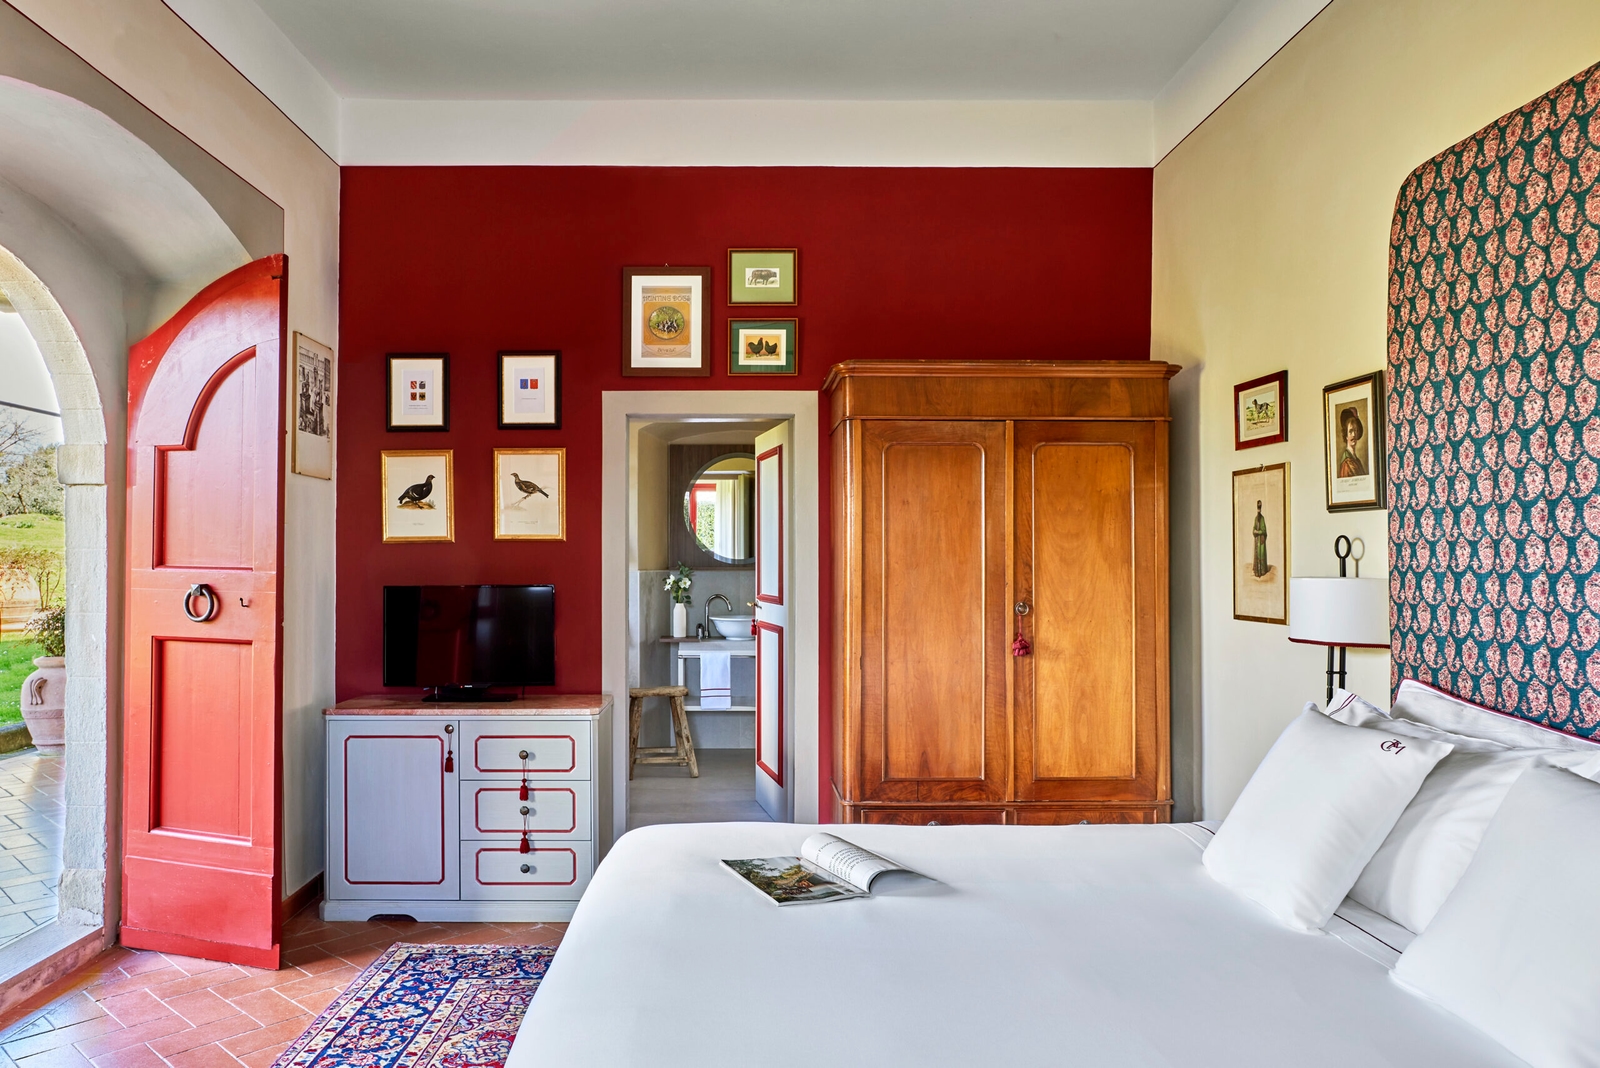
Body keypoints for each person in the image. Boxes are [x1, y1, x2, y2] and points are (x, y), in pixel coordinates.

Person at [1338, 408, 1367, 478]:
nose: (1354, 434)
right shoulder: (1347, 463)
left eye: (1355, 430)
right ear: (1346, 435)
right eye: (1350, 431)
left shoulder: (1357, 461)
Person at [1252, 500, 1269, 578]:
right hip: (1256, 541)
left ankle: (1262, 571)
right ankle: (1257, 571)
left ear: (1261, 509)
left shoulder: (1262, 518)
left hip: (1261, 541)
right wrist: (1254, 531)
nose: (1259, 510)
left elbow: (1264, 530)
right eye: (1258, 508)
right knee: (1257, 554)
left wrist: (1258, 532)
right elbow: (1253, 529)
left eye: (1260, 508)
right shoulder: (1256, 518)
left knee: (1261, 553)